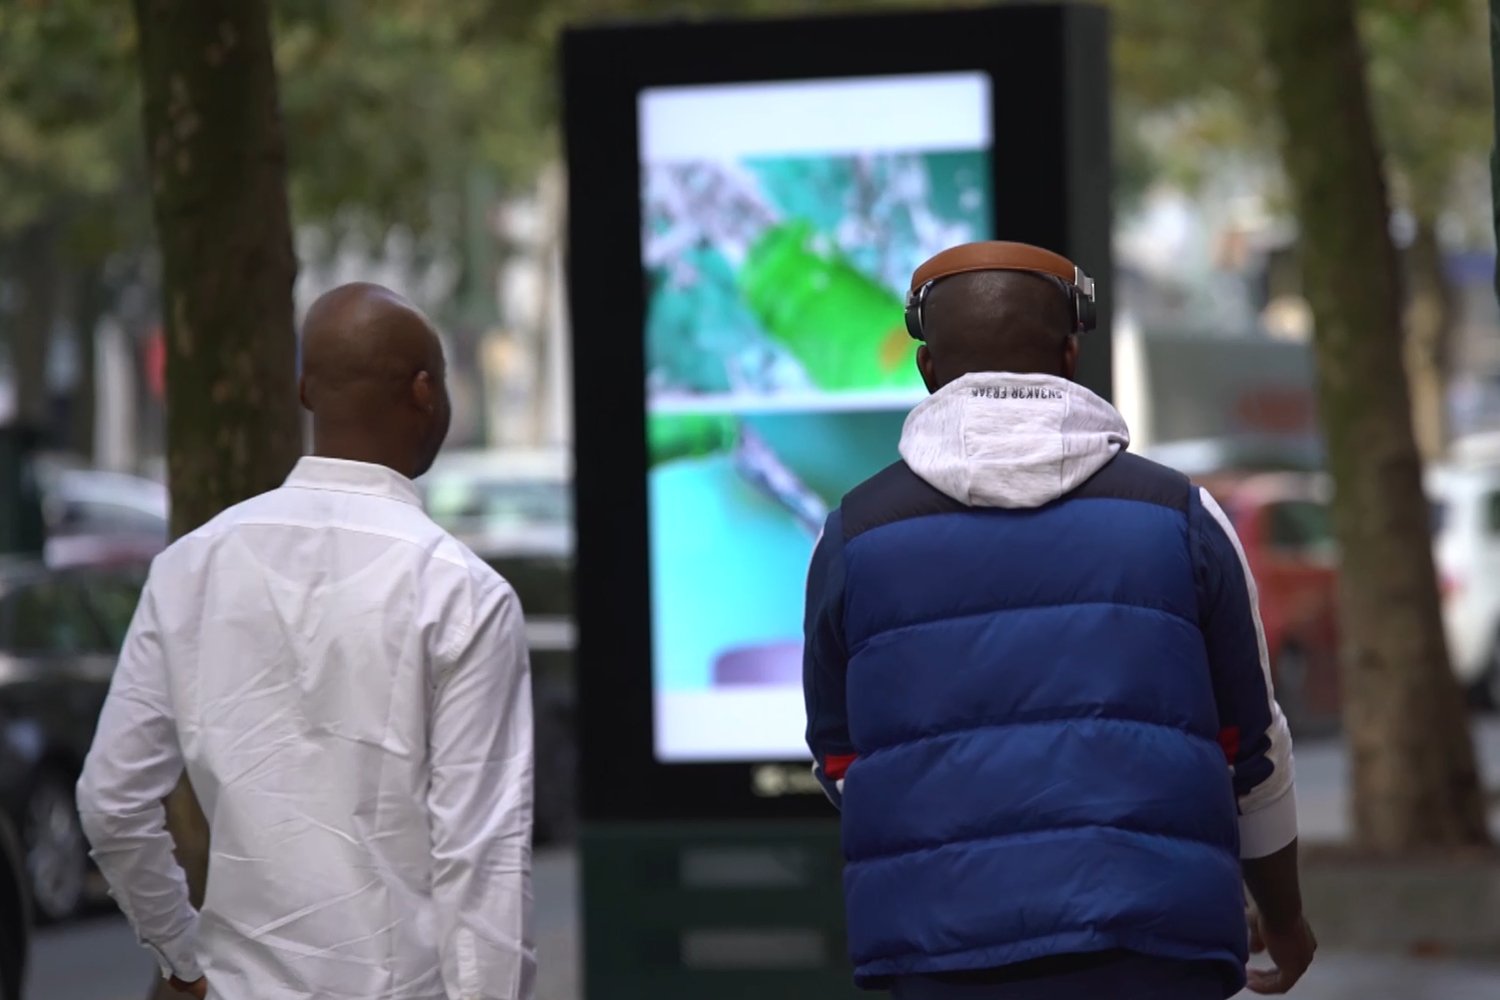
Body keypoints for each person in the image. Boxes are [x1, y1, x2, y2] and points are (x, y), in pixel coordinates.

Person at [803, 242, 1316, 999]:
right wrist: (1285, 917)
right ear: (1072, 353)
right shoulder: (1181, 518)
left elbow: (842, 758)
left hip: (938, 953)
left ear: (927, 370)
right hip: (1154, 946)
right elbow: (1251, 747)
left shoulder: (853, 537)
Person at [77, 283, 535, 1000]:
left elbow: (112, 799)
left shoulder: (191, 565)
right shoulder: (464, 596)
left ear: (303, 392)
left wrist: (180, 958)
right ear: (424, 393)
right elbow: (482, 868)